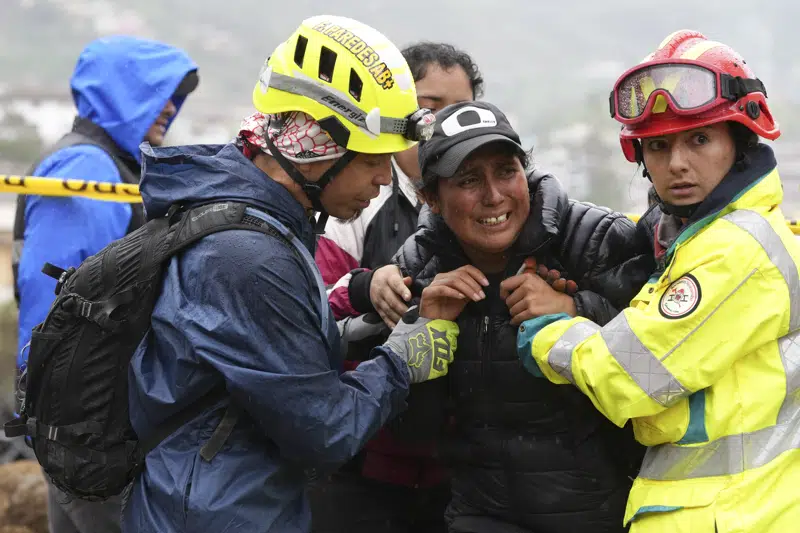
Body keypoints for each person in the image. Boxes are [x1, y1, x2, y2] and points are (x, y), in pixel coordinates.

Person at [122, 15, 459, 533]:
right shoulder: (249, 256)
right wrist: (399, 361)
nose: (381, 177)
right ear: (317, 143)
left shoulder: (254, 218)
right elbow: (326, 431)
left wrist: (352, 326)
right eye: (372, 158)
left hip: (208, 497)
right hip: (221, 515)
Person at [517, 30, 800, 532]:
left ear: (740, 139)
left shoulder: (735, 250)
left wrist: (552, 327)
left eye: (699, 139)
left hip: (727, 515)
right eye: (658, 146)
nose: (677, 165)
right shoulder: (706, 236)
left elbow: (630, 379)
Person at [369, 100, 656, 533]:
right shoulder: (420, 266)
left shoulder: (594, 240)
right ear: (431, 198)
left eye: (506, 171)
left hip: (602, 511)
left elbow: (663, 367)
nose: (494, 196)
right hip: (480, 513)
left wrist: (575, 312)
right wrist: (426, 330)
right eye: (468, 180)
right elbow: (414, 434)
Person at [11, 35, 198, 533]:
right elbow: (55, 304)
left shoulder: (107, 163)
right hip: (89, 430)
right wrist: (67, 429)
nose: (169, 110)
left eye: (174, 99)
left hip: (79, 426)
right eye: (157, 95)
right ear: (122, 94)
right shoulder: (86, 168)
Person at [309, 41, 483, 533]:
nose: (440, 127)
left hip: (463, 460)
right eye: (426, 111)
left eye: (461, 111)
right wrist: (367, 289)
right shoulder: (354, 201)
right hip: (363, 457)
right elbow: (309, 310)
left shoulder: (497, 202)